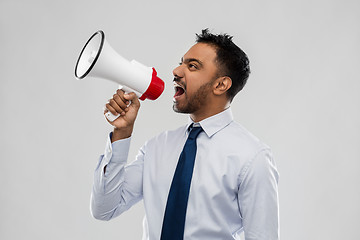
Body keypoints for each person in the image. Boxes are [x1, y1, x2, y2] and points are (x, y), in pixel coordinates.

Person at [90, 29, 280, 240]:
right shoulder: (157, 147)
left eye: (192, 66)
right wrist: (122, 132)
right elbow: (104, 209)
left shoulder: (252, 157)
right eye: (181, 63)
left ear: (220, 85)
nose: (176, 71)